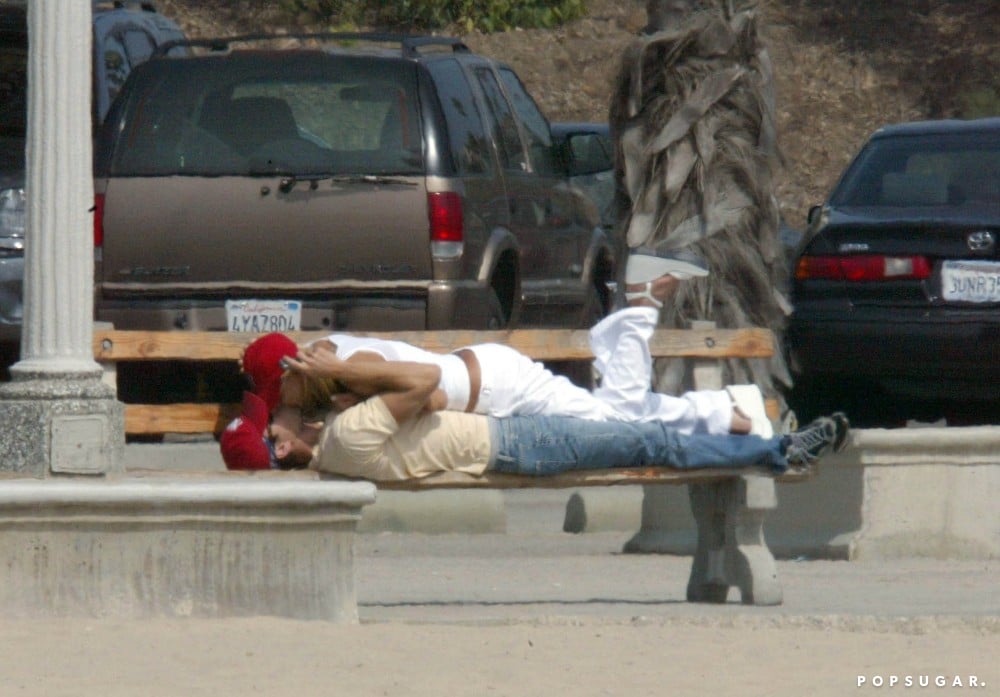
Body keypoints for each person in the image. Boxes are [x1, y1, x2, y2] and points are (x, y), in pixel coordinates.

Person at [224, 342, 849, 480]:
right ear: (282, 446)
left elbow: (431, 388)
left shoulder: (347, 393)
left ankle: (761, 437)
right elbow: (430, 392)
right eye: (271, 413)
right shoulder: (344, 427)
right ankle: (759, 434)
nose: (279, 405)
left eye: (276, 396)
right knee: (635, 430)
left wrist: (335, 378)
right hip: (509, 427)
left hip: (504, 399)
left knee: (634, 431)